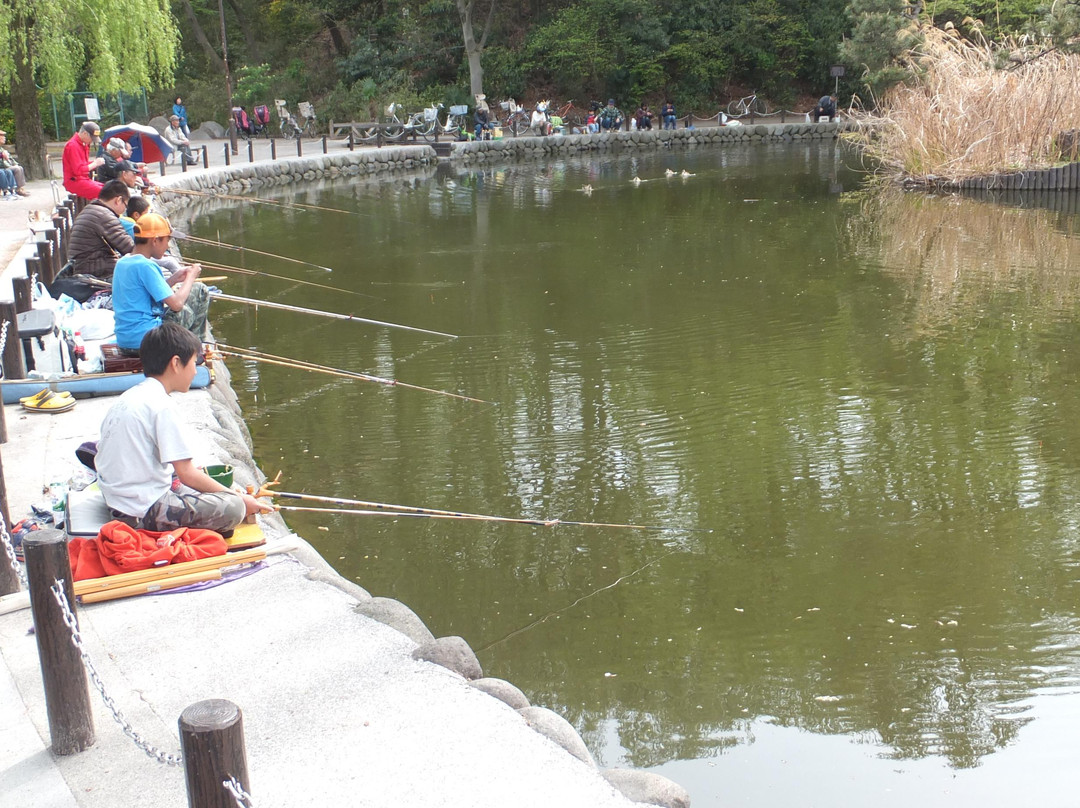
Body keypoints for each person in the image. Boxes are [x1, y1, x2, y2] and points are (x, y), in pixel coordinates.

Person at [95, 322, 270, 534]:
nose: (196, 372)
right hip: (140, 512)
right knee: (233, 508)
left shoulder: (132, 396)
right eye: (194, 364)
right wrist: (239, 499)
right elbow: (186, 474)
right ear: (176, 363)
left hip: (117, 501)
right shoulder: (162, 406)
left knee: (207, 485)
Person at [111, 212, 209, 350]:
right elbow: (176, 305)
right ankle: (194, 349)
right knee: (200, 290)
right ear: (155, 240)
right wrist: (191, 277)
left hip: (126, 340)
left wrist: (175, 278)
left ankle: (191, 348)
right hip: (148, 339)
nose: (168, 246)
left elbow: (146, 293)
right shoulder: (146, 265)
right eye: (166, 240)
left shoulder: (123, 262)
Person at [67, 180, 133, 278]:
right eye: (126, 206)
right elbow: (130, 249)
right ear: (118, 200)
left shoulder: (90, 209)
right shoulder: (104, 215)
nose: (124, 211)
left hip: (84, 268)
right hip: (96, 273)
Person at [62, 121, 105, 200]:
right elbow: (78, 170)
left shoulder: (83, 144)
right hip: (74, 182)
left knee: (108, 188)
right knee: (105, 192)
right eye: (91, 138)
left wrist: (95, 163)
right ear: (85, 133)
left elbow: (83, 164)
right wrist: (95, 163)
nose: (91, 141)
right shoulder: (73, 146)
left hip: (82, 179)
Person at [0, 130, 30, 196]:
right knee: (17, 169)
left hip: (6, 166)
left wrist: (15, 164)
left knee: (19, 167)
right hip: (3, 167)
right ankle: (16, 189)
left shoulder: (2, 149)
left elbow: (11, 159)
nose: (4, 138)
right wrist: (2, 156)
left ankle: (20, 188)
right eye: (2, 136)